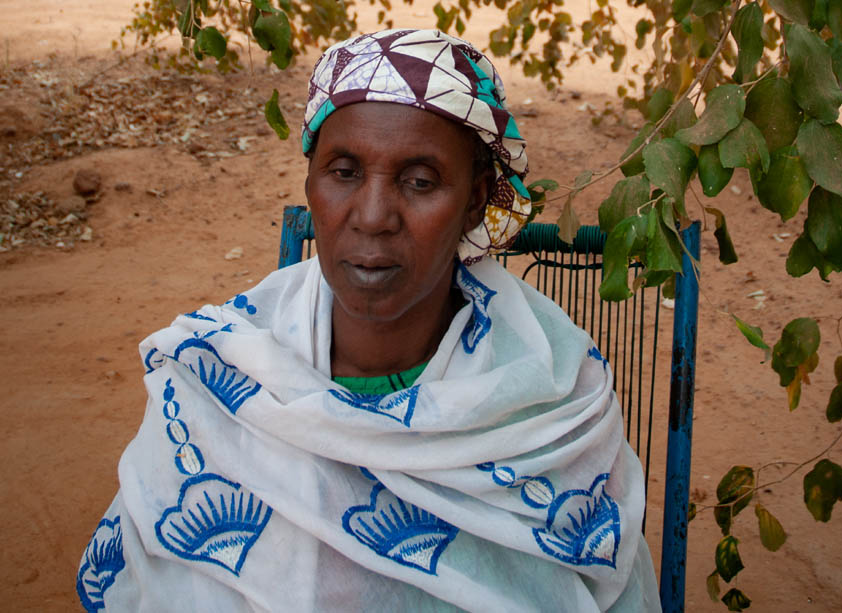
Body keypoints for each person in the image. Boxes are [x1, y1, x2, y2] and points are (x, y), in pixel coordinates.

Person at [76, 29, 661, 612]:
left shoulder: (555, 397)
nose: (375, 217)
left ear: (477, 200)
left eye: (421, 181)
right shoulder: (217, 380)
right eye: (345, 172)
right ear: (310, 184)